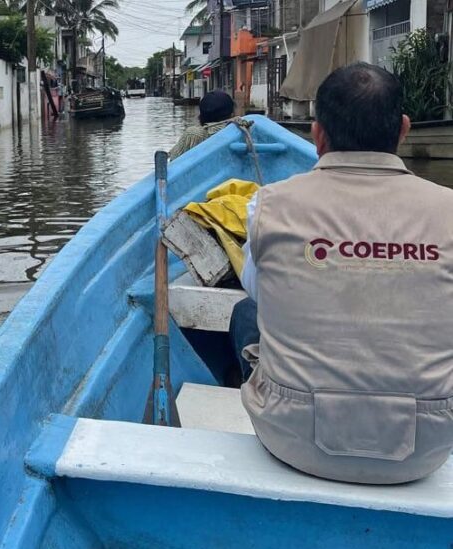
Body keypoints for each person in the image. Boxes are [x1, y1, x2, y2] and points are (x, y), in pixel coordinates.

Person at [231, 62, 453, 485]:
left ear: (317, 135)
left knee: (245, 314)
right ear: (404, 129)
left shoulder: (270, 205)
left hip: (292, 438)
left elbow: (259, 292)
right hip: (426, 448)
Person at [168, 91, 235, 160]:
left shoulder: (193, 134)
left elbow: (173, 161)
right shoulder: (239, 130)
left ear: (200, 116)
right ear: (232, 114)